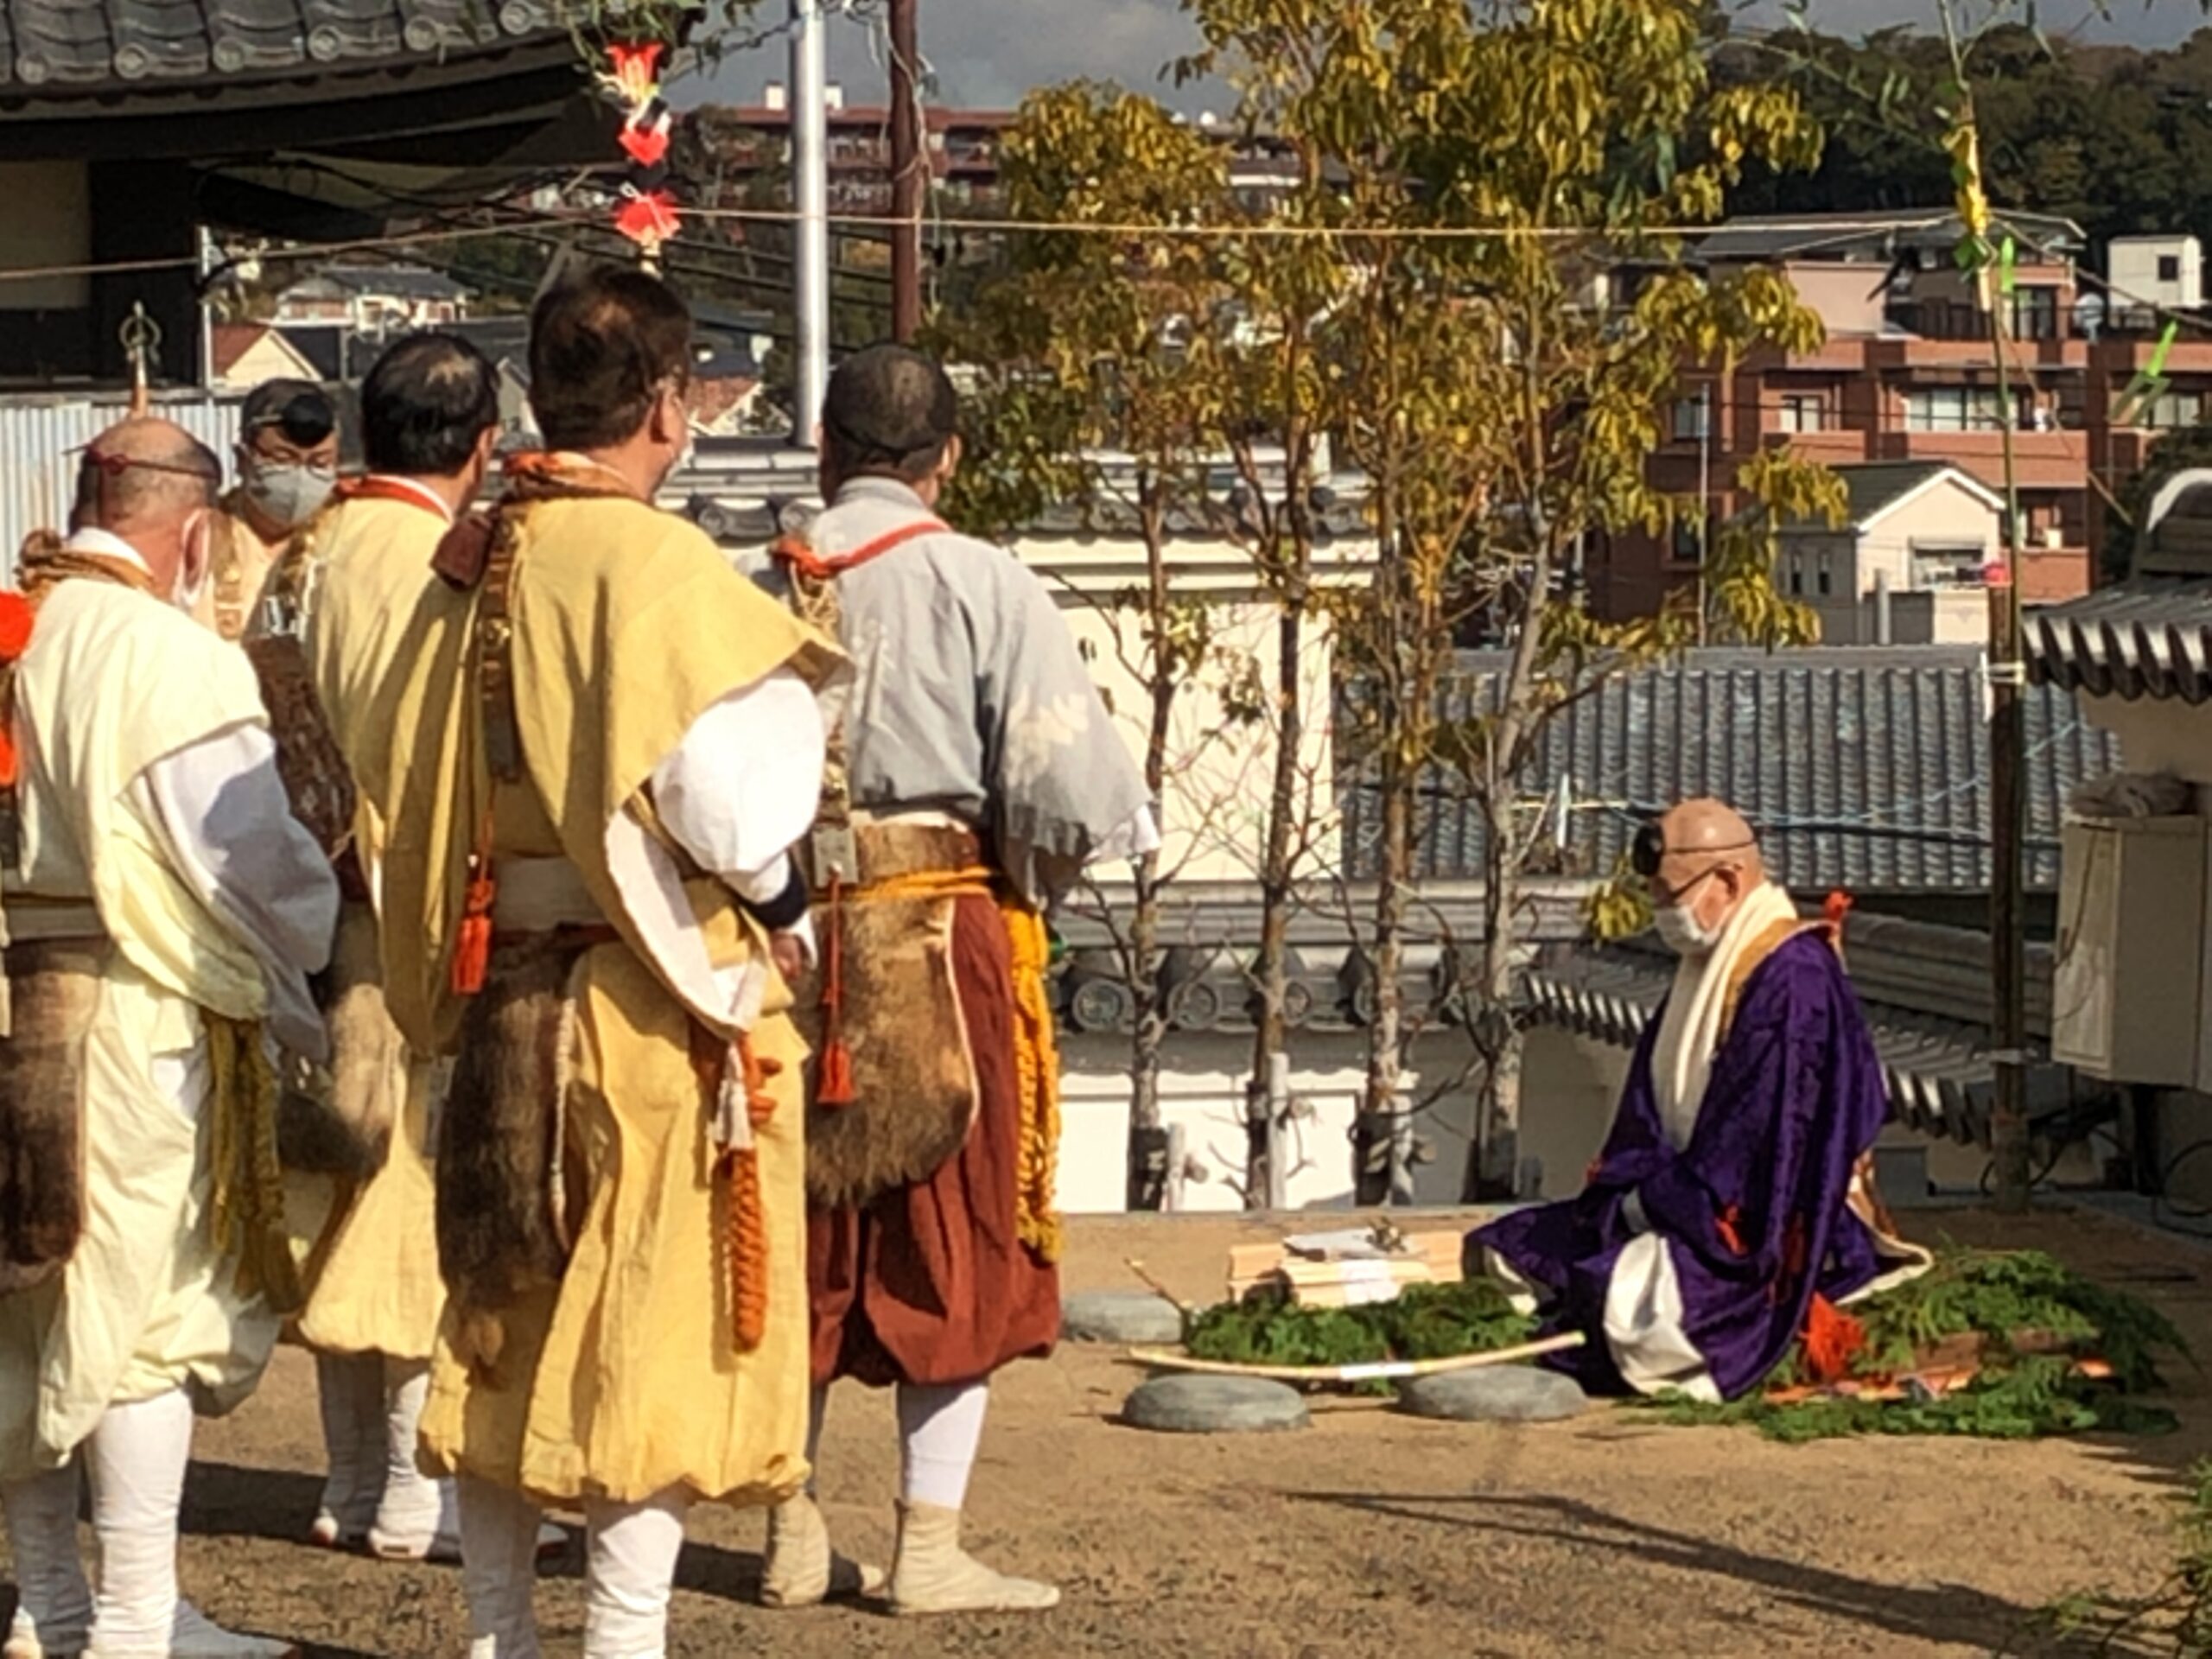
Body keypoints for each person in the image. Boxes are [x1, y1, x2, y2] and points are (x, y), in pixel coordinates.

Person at [323, 268, 842, 1659]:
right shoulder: (651, 565)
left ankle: (498, 1638)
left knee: (502, 1322)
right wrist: (786, 887)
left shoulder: (468, 561)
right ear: (670, 405)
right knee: (638, 1348)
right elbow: (731, 814)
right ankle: (620, 1645)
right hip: (634, 1000)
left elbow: (397, 773)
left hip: (500, 984)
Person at [758, 344, 1154, 1618]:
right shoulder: (988, 580)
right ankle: (926, 1543)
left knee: (793, 1224)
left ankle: (790, 1523)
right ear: (948, 460)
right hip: (940, 921)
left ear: (824, 447)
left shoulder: (758, 577)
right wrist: (1033, 879)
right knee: (957, 1222)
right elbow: (1068, 792)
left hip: (779, 931)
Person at [0, 417, 339, 1658]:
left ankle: (53, 1599)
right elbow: (244, 852)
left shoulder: (16, 631)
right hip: (132, 1009)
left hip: (13, 993)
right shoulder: (163, 650)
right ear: (197, 532)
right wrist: (322, 927)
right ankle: (134, 1618)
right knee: (145, 1315)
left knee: (24, 1306)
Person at [270, 334, 557, 1566]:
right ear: (483, 441)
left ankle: (351, 1477)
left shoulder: (311, 546)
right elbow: (422, 748)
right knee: (407, 1201)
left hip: (313, 895)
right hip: (403, 900)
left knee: (342, 1186)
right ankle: (409, 1487)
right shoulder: (418, 559)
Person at [1472, 798, 1928, 1404]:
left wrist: (1653, 1204)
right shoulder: (1707, 962)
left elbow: (1764, 1148)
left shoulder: (1794, 979)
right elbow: (1648, 1112)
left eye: (1669, 893)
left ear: (1728, 879)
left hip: (1758, 1233)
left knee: (1626, 1304)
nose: (1662, 911)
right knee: (1513, 1246)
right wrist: (1628, 1197)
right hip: (1680, 1199)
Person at [196, 378, 341, 641]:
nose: (300, 477)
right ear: (242, 458)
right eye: (283, 459)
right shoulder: (198, 539)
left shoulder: (346, 539)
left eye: (319, 463)